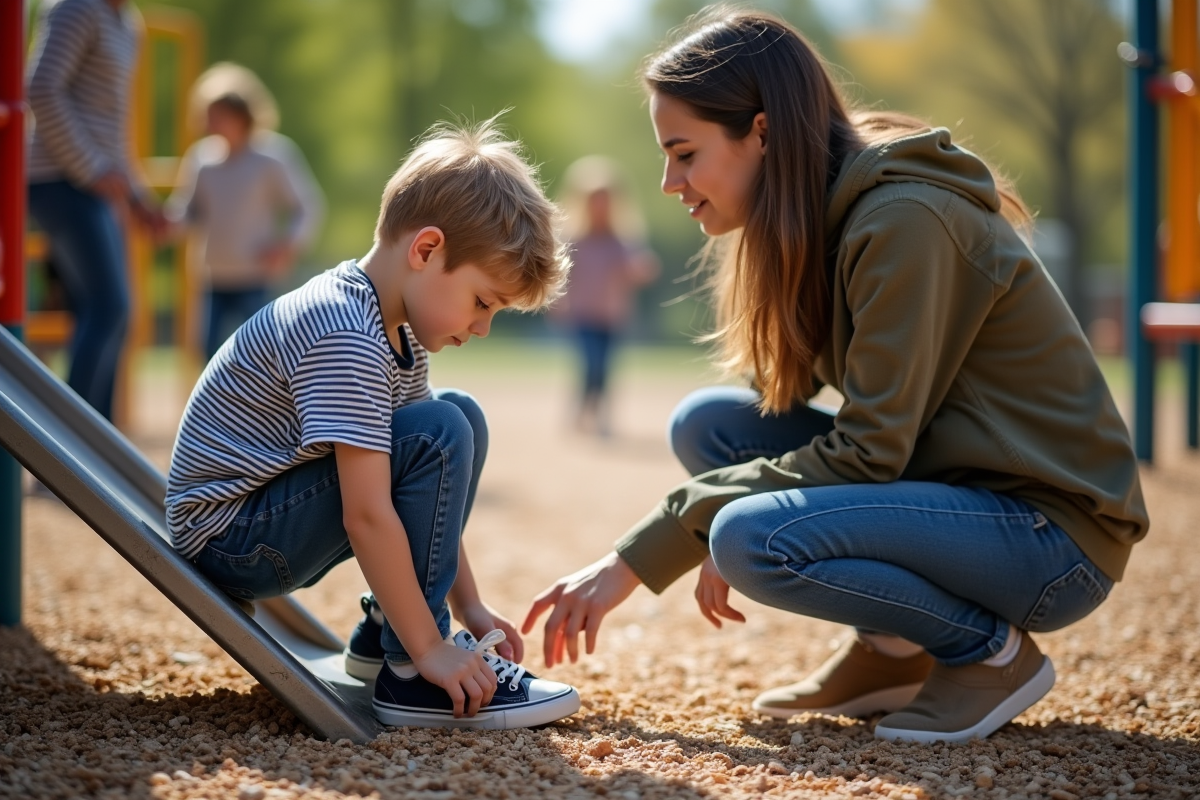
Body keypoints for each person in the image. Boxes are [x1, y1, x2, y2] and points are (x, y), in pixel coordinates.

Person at [524, 9, 1148, 744]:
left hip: (1050, 537)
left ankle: (989, 652)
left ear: (762, 132)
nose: (668, 182)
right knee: (712, 428)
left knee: (747, 538)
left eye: (684, 153)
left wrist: (658, 544)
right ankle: (894, 650)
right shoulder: (814, 213)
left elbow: (869, 451)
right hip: (954, 484)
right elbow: (792, 411)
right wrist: (721, 505)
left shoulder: (905, 218)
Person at [165, 118, 580, 729]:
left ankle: (387, 631)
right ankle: (409, 673)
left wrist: (470, 606)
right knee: (440, 431)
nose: (482, 327)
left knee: (457, 417)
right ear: (426, 250)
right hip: (232, 536)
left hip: (260, 517)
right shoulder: (346, 332)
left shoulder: (392, 328)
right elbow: (367, 514)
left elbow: (428, 499)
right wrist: (430, 647)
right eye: (482, 302)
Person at [25, 0, 161, 421]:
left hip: (94, 185)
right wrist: (93, 169)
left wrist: (136, 197)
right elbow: (41, 89)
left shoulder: (128, 22)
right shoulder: (77, 8)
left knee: (106, 313)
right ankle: (71, 437)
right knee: (109, 307)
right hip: (58, 179)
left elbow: (113, 126)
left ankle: (96, 439)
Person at [167, 63, 325, 361]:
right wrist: (164, 223)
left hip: (256, 277)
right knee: (209, 355)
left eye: (219, 115)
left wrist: (287, 245)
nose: (211, 123)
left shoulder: (272, 156)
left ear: (242, 115)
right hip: (212, 276)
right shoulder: (201, 159)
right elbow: (188, 210)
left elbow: (307, 206)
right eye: (209, 115)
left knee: (261, 355)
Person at [554, 156, 659, 436]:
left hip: (611, 316)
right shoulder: (574, 240)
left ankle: (598, 413)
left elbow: (639, 269)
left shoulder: (621, 241)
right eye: (594, 200)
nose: (600, 207)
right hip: (581, 314)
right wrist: (558, 302)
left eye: (605, 200)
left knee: (605, 368)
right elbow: (560, 276)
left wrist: (640, 269)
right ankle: (582, 411)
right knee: (591, 363)